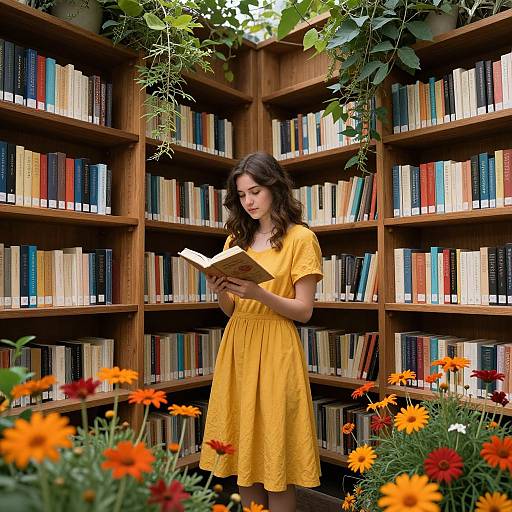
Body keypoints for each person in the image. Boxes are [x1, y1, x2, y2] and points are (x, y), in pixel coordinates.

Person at [198, 151, 323, 512]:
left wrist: (259, 293)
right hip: (238, 343)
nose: (248, 201)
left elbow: (303, 311)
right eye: (241, 195)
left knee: (275, 458)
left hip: (276, 347)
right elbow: (231, 310)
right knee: (244, 459)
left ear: (275, 188)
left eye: (255, 191)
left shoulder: (301, 239)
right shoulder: (234, 240)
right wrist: (221, 289)